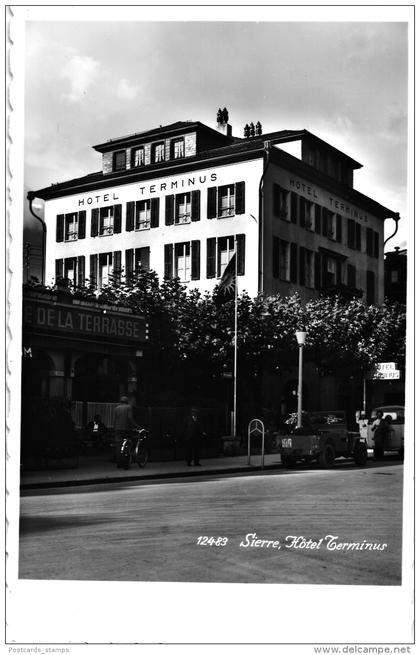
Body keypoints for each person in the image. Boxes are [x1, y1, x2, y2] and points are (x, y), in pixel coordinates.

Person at [113, 396, 138, 461]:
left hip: (117, 429)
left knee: (118, 444)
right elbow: (130, 418)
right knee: (130, 441)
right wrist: (135, 425)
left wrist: (114, 428)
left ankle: (118, 460)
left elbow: (115, 419)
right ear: (127, 401)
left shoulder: (116, 408)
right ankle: (128, 456)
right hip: (126, 428)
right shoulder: (128, 407)